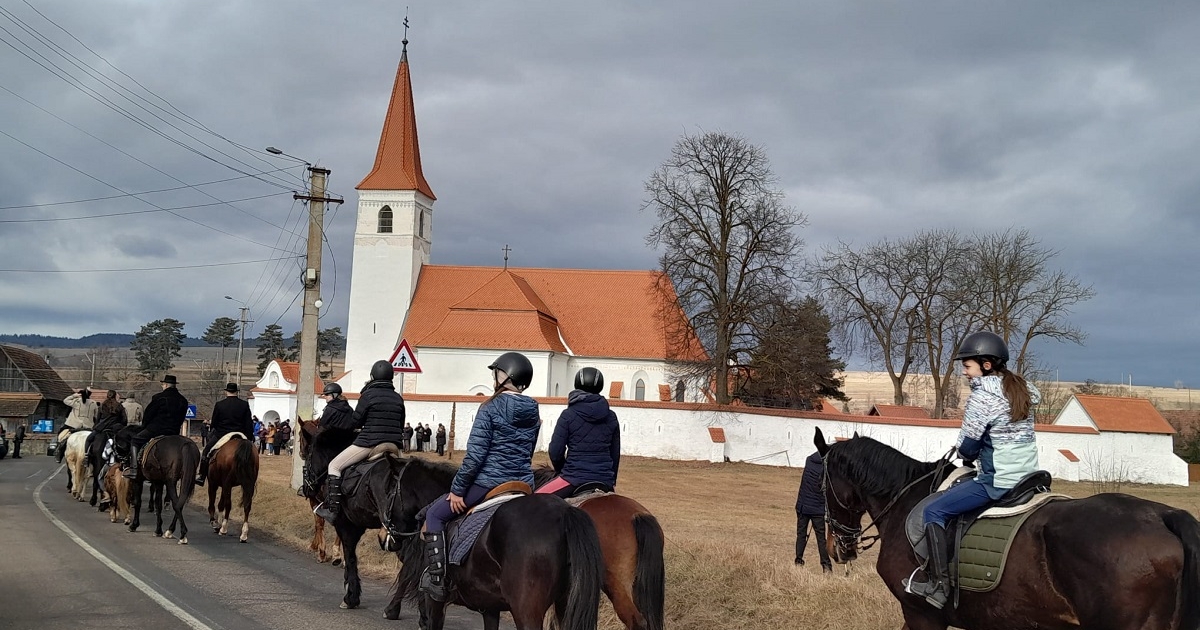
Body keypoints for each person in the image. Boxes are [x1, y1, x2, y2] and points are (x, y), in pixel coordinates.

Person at [903, 331, 1040, 609]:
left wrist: (966, 451)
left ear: (986, 365)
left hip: (999, 481)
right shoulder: (1021, 390)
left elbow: (967, 448)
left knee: (934, 511)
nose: (964, 372)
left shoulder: (983, 396)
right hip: (1029, 477)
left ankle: (939, 586)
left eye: (967, 366)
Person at [420, 351, 541, 602]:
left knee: (434, 514)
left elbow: (475, 457)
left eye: (496, 372)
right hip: (522, 484)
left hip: (489, 482)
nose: (494, 377)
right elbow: (527, 452)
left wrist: (458, 490)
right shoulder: (533, 409)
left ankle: (437, 581)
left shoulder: (489, 407)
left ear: (505, 376)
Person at [317, 359, 406, 522]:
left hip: (370, 443)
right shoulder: (398, 398)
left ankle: (333, 510)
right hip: (394, 445)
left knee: (334, 466)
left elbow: (355, 422)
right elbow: (400, 425)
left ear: (373, 376)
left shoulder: (368, 396)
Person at [537, 367, 620, 498]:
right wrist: (610, 480)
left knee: (533, 501)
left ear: (577, 384)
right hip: (604, 479)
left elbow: (555, 451)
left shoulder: (568, 415)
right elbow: (615, 454)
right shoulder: (611, 416)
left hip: (573, 478)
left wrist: (563, 471)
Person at [123, 375, 189, 479]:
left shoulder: (158, 398)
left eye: (163, 384)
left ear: (166, 385)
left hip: (156, 429)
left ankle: (134, 469)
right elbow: (181, 418)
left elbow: (149, 415)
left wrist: (144, 426)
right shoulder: (183, 400)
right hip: (174, 431)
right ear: (174, 385)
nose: (162, 386)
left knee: (135, 441)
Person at [195, 383, 253, 487]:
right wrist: (249, 438)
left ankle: (202, 476)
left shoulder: (220, 404)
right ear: (237, 392)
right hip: (239, 435)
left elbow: (214, 424)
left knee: (206, 451)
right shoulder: (244, 404)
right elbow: (248, 423)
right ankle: (251, 476)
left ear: (226, 391)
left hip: (222, 435)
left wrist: (214, 429)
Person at [795, 450, 832, 572]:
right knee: (821, 538)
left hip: (802, 506)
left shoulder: (809, 460)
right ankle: (826, 566)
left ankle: (798, 560)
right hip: (817, 509)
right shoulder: (826, 468)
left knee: (801, 535)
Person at [57, 387, 97, 463]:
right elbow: (96, 415)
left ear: (80, 394)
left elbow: (65, 400)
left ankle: (59, 452)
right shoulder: (93, 403)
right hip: (88, 426)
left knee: (61, 434)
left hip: (74, 425)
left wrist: (74, 396)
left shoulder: (76, 402)